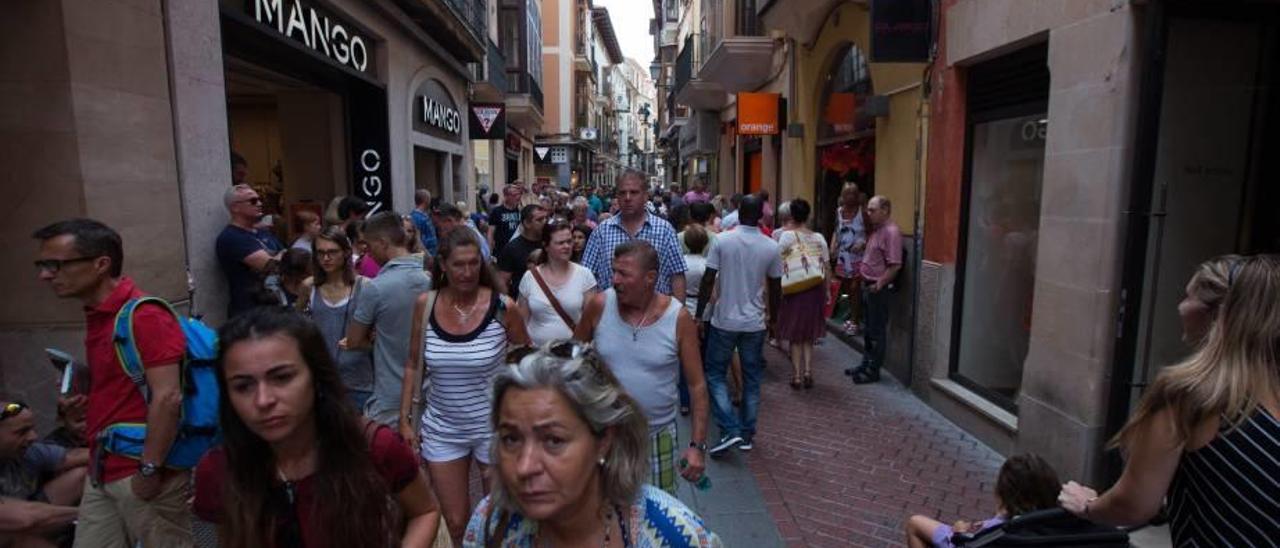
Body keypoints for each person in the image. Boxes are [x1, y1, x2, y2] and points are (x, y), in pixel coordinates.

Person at [1058, 254, 1280, 546]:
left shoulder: (1190, 396)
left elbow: (1134, 505)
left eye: (1187, 296)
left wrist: (1088, 506)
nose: (1179, 306)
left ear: (1216, 314)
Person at [194, 307, 442, 547]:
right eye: (243, 386)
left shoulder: (373, 447)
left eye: (282, 378)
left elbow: (425, 511)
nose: (263, 400)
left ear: (316, 376)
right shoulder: (218, 470)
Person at [464, 343, 723, 547]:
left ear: (604, 441)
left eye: (554, 440)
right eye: (511, 439)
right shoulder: (491, 522)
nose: (524, 466)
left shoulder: (674, 535)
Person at [32, 219, 193, 547]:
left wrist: (149, 470)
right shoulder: (98, 314)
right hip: (102, 466)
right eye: (42, 264)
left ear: (101, 264)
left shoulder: (144, 315)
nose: (45, 275)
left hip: (141, 470)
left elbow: (168, 397)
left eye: (55, 265)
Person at [399, 229, 529, 544]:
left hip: (492, 429)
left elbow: (526, 360)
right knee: (455, 522)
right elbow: (414, 363)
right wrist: (404, 419)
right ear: (443, 265)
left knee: (498, 519)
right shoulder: (425, 305)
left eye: (474, 263)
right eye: (459, 264)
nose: (468, 272)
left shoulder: (503, 307)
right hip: (443, 428)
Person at [574, 241, 709, 494]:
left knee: (658, 519)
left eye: (624, 274)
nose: (615, 280)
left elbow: (697, 384)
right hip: (606, 437)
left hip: (658, 436)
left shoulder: (678, 318)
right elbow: (572, 361)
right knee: (605, 516)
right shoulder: (600, 305)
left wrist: (697, 446)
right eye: (614, 271)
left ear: (650, 278)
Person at [695, 195, 782, 457]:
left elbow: (708, 279)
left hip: (724, 320)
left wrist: (700, 315)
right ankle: (746, 434)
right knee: (753, 378)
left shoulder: (722, 240)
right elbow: (776, 287)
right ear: (758, 216)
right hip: (755, 322)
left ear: (738, 211)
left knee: (714, 374)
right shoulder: (770, 246)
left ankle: (730, 428)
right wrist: (774, 319)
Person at [345, 212, 432, 425]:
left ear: (383, 243)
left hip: (390, 396)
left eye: (369, 245)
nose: (367, 252)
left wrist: (374, 339)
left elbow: (353, 341)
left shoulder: (375, 288)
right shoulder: (430, 280)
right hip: (430, 393)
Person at [906, 454, 1061, 548]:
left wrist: (959, 532)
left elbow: (971, 542)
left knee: (915, 523)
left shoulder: (1003, 529)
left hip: (970, 541)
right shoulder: (1055, 520)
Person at [580, 170, 688, 302]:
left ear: (645, 196)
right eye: (622, 193)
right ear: (617, 196)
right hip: (611, 316)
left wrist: (677, 316)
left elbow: (677, 275)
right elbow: (587, 277)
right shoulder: (601, 231)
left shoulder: (665, 230)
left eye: (634, 192)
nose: (627, 198)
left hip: (655, 317)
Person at [298, 227, 375, 411]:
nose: (326, 258)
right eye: (321, 253)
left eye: (332, 252)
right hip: (320, 380)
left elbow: (379, 338)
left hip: (359, 382)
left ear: (346, 252)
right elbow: (296, 328)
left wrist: (360, 342)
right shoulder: (309, 287)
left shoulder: (364, 286)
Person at [0, 400, 89, 547]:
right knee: (18, 538)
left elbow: (75, 456)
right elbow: (25, 518)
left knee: (82, 475)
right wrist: (92, 513)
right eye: (22, 432)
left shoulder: (28, 451)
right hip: (14, 524)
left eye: (32, 429)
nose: (33, 437)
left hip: (27, 518)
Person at [776, 199, 830, 389]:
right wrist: (828, 290)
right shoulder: (819, 238)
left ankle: (797, 375)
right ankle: (808, 371)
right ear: (808, 216)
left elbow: (778, 261)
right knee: (808, 332)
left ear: (791, 215)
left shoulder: (786, 237)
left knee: (794, 332)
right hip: (815, 287)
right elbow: (826, 265)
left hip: (795, 287)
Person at [518, 221, 598, 346]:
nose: (567, 246)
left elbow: (590, 322)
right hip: (537, 355)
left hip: (572, 356)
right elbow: (522, 322)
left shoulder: (585, 275)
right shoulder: (530, 277)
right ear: (546, 246)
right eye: (560, 243)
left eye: (569, 241)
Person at [850, 195, 902, 385]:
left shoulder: (891, 232)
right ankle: (865, 364)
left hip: (876, 288)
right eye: (868, 209)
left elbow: (895, 264)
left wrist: (879, 283)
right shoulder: (877, 230)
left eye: (872, 210)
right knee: (869, 330)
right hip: (867, 285)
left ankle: (873, 370)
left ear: (885, 210)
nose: (868, 213)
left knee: (876, 332)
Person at [217, 184, 285, 318]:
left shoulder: (262, 232)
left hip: (274, 308)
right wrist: (281, 256)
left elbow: (288, 255)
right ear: (235, 207)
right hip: (250, 313)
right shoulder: (232, 237)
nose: (259, 204)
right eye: (253, 201)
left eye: (260, 200)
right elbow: (273, 265)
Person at [831, 182, 867, 335]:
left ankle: (855, 321)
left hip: (859, 257)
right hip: (844, 256)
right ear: (842, 196)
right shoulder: (839, 212)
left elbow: (872, 233)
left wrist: (863, 243)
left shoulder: (863, 213)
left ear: (858, 195)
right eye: (847, 193)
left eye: (853, 193)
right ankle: (853, 315)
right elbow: (836, 231)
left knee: (855, 288)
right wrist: (832, 245)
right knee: (847, 288)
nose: (850, 196)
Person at [496, 204, 548, 299]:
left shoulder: (549, 244)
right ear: (527, 223)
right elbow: (503, 283)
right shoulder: (512, 248)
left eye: (545, 218)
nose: (545, 222)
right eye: (539, 220)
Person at [489, 183, 524, 258]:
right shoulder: (497, 211)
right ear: (506, 196)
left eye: (518, 194)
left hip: (518, 250)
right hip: (502, 251)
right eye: (514, 195)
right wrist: (490, 251)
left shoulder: (521, 211)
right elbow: (491, 232)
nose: (518, 197)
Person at [410, 189, 440, 257]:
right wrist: (427, 255)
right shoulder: (416, 217)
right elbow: (418, 239)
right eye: (429, 199)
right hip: (426, 255)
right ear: (426, 200)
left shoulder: (425, 215)